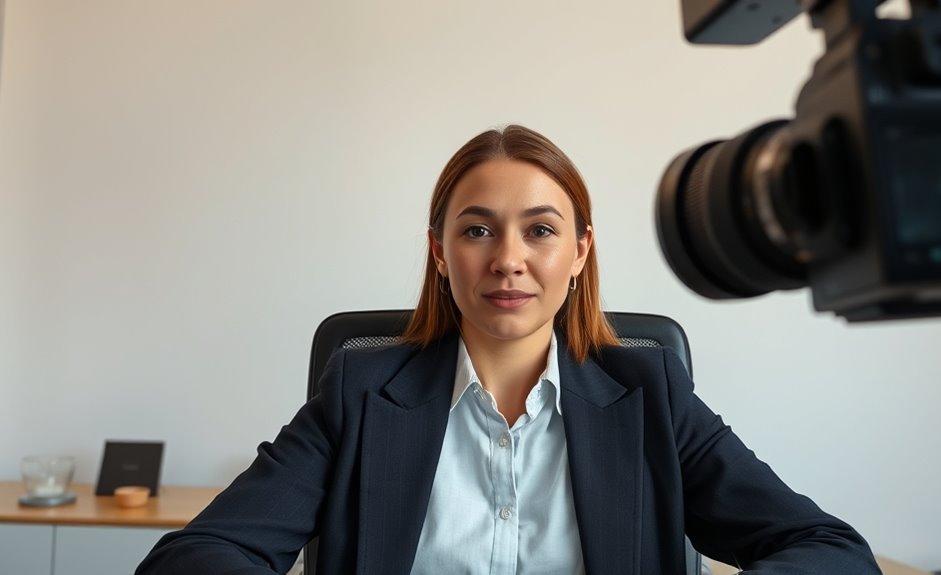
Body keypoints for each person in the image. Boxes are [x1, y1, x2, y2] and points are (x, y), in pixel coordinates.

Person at [136, 125, 881, 574]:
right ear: (440, 252)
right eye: (477, 229)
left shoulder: (651, 392)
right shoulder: (358, 391)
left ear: (581, 251)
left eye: (541, 230)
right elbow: (194, 557)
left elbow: (829, 549)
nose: (508, 260)